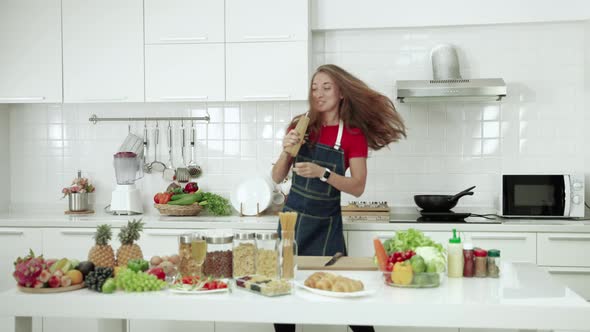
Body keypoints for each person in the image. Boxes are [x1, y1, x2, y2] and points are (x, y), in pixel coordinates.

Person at [271, 64, 407, 332]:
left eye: (326, 87)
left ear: (341, 93)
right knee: (284, 296)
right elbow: (277, 177)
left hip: (326, 226)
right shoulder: (301, 125)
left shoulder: (353, 135)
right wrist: (287, 151)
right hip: (291, 224)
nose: (318, 94)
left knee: (344, 294)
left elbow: (357, 186)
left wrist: (323, 173)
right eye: (314, 88)